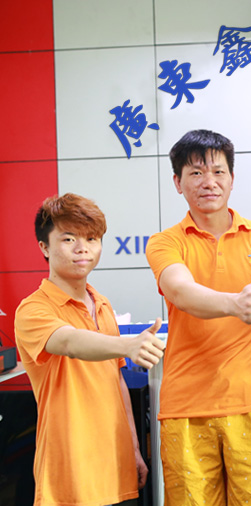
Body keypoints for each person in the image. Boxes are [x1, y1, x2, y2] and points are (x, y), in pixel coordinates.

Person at [145, 129, 251, 506]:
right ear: (178, 182)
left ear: (232, 178)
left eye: (218, 172)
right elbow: (180, 291)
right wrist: (235, 304)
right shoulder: (166, 242)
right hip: (186, 409)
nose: (209, 182)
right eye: (196, 173)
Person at [15, 192, 165, 506]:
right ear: (44, 247)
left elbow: (116, 380)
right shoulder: (33, 309)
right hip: (71, 470)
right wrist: (128, 344)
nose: (82, 248)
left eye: (92, 238)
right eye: (69, 239)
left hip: (116, 464)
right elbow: (69, 342)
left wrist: (134, 448)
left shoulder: (102, 304)